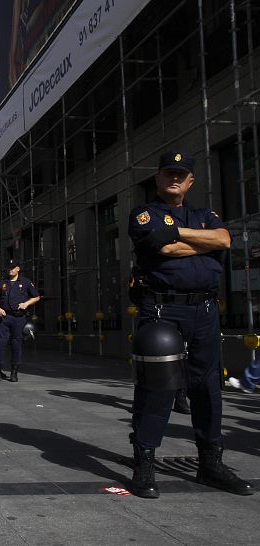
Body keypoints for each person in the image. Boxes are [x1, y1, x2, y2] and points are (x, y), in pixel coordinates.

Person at [127, 150, 253, 498]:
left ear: (190, 181)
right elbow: (160, 248)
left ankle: (210, 464)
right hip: (163, 308)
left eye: (181, 175)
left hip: (205, 311)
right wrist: (202, 243)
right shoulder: (143, 213)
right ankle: (145, 461)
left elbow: (225, 240)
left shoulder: (203, 214)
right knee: (158, 387)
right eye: (169, 173)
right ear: (158, 177)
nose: (174, 179)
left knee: (207, 387)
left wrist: (176, 234)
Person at [0, 259, 40, 382]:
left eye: (13, 267)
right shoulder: (1, 283)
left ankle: (14, 372)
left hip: (18, 317)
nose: (10, 269)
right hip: (4, 317)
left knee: (16, 344)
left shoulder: (25, 282)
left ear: (18, 269)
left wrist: (26, 303)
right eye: (9, 267)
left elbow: (36, 296)